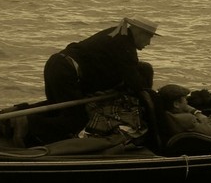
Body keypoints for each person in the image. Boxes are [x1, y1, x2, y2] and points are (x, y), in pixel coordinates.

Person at [14, 17, 159, 145]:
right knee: (77, 119)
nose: (149, 43)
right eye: (149, 37)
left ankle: (16, 113)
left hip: (57, 63)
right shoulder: (125, 47)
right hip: (67, 70)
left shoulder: (115, 33)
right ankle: (29, 123)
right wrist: (151, 96)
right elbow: (135, 83)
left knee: (56, 107)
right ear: (139, 32)